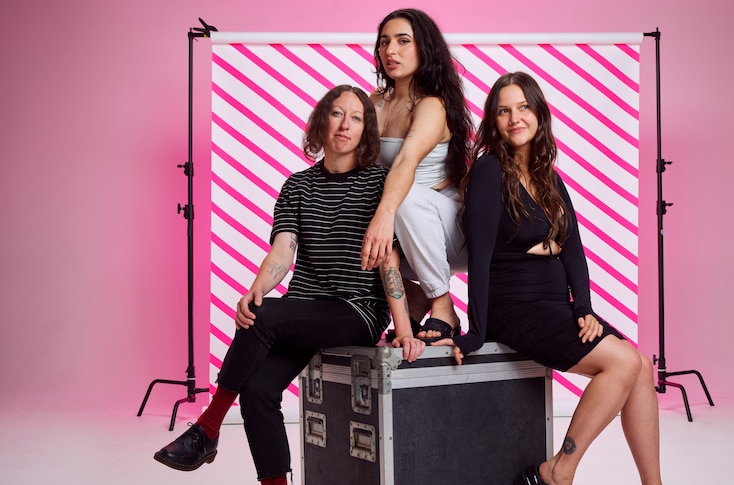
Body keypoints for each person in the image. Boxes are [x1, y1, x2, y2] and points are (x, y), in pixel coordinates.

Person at [153, 85, 426, 485]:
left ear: (367, 129)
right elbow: (283, 253)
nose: (345, 124)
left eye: (356, 117)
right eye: (336, 114)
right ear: (321, 122)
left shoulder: (378, 185)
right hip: (304, 310)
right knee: (258, 391)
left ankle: (208, 427)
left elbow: (390, 259)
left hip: (357, 308)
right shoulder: (298, 186)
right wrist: (256, 289)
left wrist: (402, 329)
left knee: (267, 316)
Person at [433, 72, 662, 485]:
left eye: (523, 107)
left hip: (555, 307)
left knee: (641, 367)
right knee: (623, 362)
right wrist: (478, 330)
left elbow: (573, 248)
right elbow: (481, 257)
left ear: (539, 113)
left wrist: (584, 308)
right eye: (503, 110)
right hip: (516, 309)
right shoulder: (488, 172)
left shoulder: (547, 176)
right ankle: (558, 470)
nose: (514, 117)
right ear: (493, 121)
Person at [361, 8, 473, 342]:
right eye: (384, 42)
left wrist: (383, 216)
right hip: (403, 236)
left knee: (403, 195)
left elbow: (406, 162)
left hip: (449, 232)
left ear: (424, 48)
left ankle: (442, 304)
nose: (390, 51)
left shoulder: (431, 105)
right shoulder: (375, 102)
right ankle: (417, 293)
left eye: (402, 41)